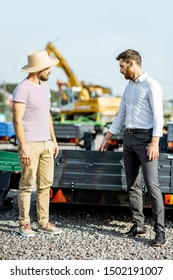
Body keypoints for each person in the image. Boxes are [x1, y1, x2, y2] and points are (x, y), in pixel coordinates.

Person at [99, 49, 165, 247]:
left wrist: (154, 142)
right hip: (128, 138)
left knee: (152, 185)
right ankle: (138, 224)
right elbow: (121, 114)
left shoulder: (151, 85)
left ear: (131, 63)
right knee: (132, 184)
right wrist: (108, 136)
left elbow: (158, 117)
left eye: (121, 66)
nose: (120, 70)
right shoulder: (129, 88)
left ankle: (160, 232)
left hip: (146, 140)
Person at [12, 50, 62, 237]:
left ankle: (42, 222)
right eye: (48, 67)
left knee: (45, 185)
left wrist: (53, 140)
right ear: (38, 69)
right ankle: (24, 223)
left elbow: (47, 115)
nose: (50, 70)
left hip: (46, 143)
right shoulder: (22, 89)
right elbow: (17, 120)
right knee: (26, 184)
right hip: (30, 144)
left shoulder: (44, 87)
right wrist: (24, 146)